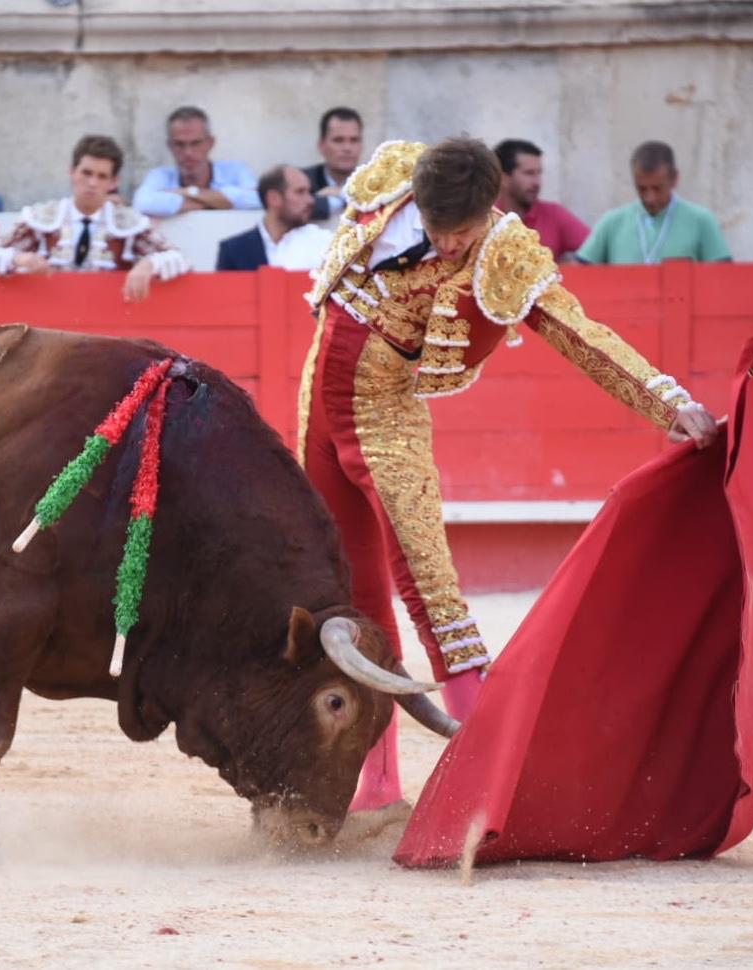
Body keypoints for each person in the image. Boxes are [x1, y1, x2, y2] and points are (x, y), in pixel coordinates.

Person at [300, 137, 717, 817]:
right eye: (433, 230)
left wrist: (668, 403)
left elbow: (578, 332)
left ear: (486, 212)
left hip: (383, 416)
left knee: (432, 593)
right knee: (347, 593)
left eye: (456, 235)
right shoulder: (394, 181)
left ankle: (496, 786)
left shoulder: (503, 252)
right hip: (316, 404)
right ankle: (374, 784)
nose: (442, 246)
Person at [0, 134, 188, 303]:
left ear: (113, 181)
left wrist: (148, 265)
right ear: (72, 172)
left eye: (101, 176)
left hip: (109, 322)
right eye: (86, 173)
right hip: (49, 320)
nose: (92, 183)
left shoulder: (128, 223)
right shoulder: (43, 219)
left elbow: (181, 260)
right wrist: (19, 258)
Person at [578, 141, 731, 264]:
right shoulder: (611, 222)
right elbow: (581, 274)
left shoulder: (701, 221)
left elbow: (723, 278)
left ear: (674, 178)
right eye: (642, 189)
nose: (649, 198)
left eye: (657, 188)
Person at [132, 106, 260, 217]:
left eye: (196, 143)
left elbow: (257, 199)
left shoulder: (235, 170)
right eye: (179, 144)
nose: (188, 152)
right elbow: (142, 202)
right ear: (170, 146)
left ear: (211, 143)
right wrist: (218, 202)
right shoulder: (160, 175)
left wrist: (190, 192)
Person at [215, 164, 329, 271]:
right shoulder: (234, 250)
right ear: (273, 198)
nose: (311, 200)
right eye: (300, 192)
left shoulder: (325, 243)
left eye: (309, 192)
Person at [493, 138, 589, 261]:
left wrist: (573, 269)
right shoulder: (484, 218)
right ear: (504, 178)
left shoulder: (554, 215)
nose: (537, 182)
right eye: (529, 173)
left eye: (539, 173)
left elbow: (600, 251)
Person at [304, 107, 363, 222]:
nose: (347, 148)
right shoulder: (303, 181)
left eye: (354, 140)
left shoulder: (375, 183)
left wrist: (342, 193)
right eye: (338, 140)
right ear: (321, 145)